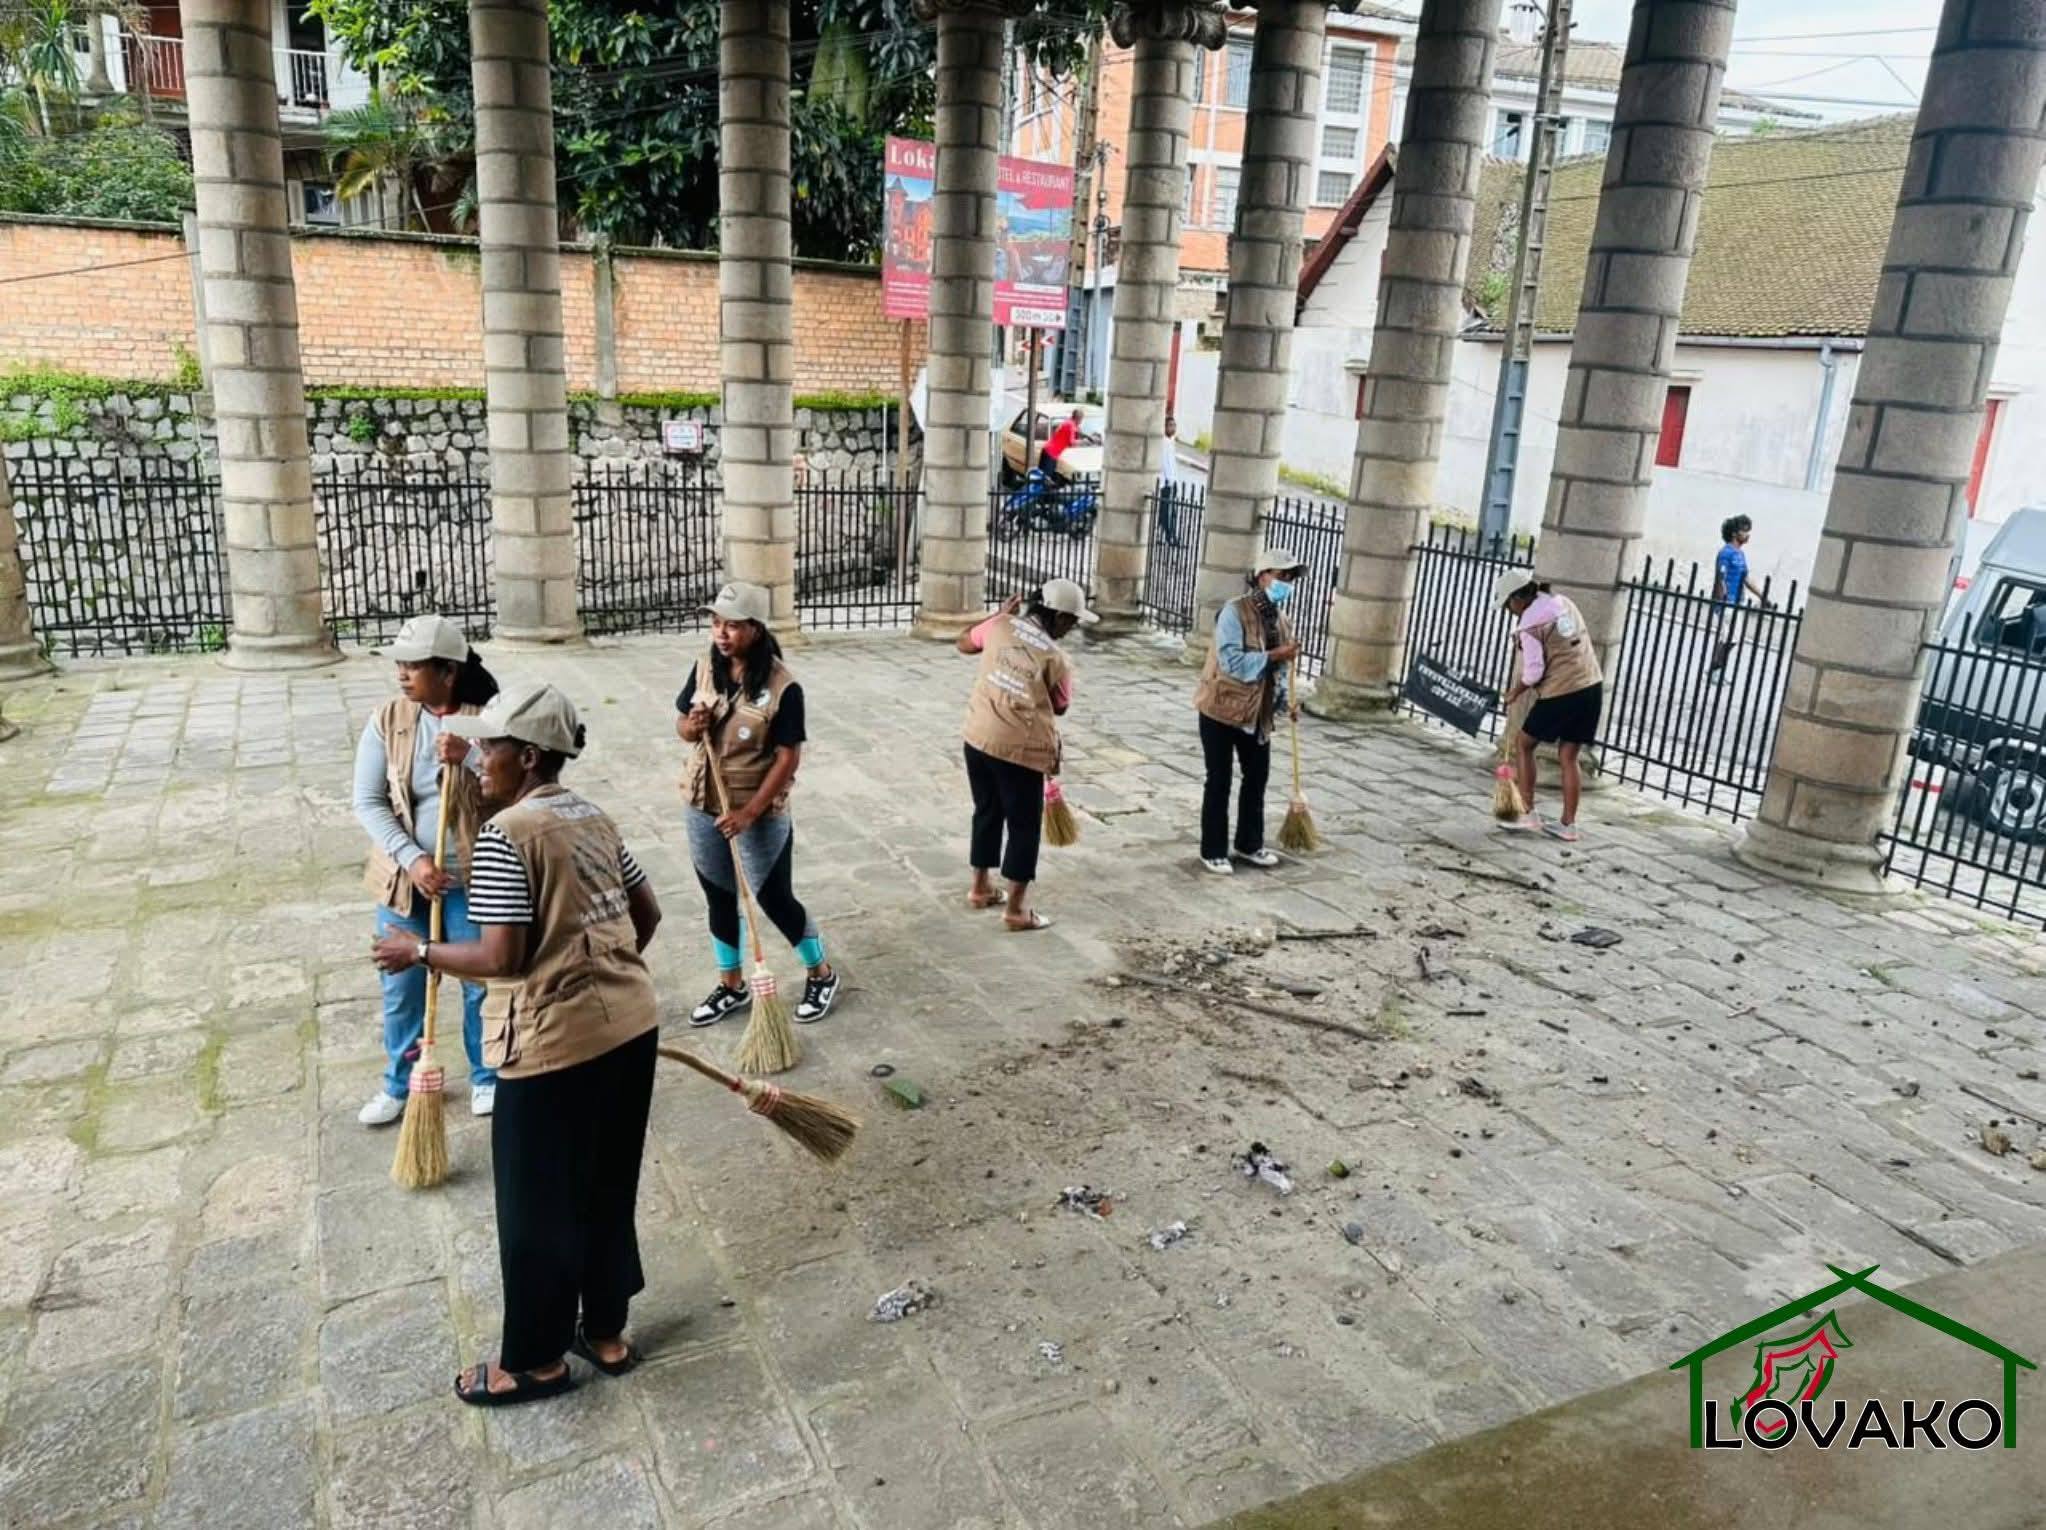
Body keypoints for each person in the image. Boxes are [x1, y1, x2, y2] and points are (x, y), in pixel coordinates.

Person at [373, 683, 663, 1408]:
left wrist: (420, 951)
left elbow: (500, 957)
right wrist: (604, 970)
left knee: (536, 1203)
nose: (478, 763)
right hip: (631, 1029)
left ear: (527, 756)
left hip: (552, 1048)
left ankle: (534, 1360)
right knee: (606, 1185)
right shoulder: (593, 816)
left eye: (489, 749)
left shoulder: (510, 835)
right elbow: (645, 912)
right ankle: (605, 1332)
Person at [352, 614, 501, 1126]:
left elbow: (521, 793)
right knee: (401, 987)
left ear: (448, 672)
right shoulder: (389, 719)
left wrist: (474, 759)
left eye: (412, 665)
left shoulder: (490, 720)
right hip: (404, 883)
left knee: (479, 982)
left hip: (473, 878)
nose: (401, 674)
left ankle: (487, 1076)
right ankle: (401, 1082)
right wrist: (412, 858)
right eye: (399, 664)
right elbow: (368, 801)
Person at [674, 582, 839, 1027]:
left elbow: (788, 757)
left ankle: (821, 972)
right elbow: (682, 727)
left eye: (731, 624)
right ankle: (731, 985)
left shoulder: (784, 688)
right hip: (703, 801)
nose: (721, 633)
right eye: (715, 623)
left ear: (755, 628)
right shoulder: (704, 668)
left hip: (757, 811)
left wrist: (749, 813)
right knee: (718, 895)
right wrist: (693, 724)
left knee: (773, 898)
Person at [958, 577, 1099, 931]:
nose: (1072, 628)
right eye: (1071, 621)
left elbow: (964, 643)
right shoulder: (1056, 657)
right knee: (1023, 826)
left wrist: (998, 616)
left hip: (977, 736)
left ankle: (980, 888)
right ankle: (1017, 910)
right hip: (1018, 748)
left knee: (987, 811)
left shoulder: (1000, 624)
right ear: (1058, 617)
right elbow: (1062, 705)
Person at [1193, 547, 1304, 875]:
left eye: (1290, 577)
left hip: (1259, 713)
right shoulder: (1234, 612)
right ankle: (1213, 849)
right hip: (1221, 708)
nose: (1286, 582)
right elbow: (1232, 662)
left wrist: (1286, 702)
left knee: (1257, 778)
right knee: (1219, 780)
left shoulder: (1281, 619)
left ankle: (1249, 843)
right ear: (1262, 576)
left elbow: (1280, 672)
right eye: (1281, 576)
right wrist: (1274, 656)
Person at [1495, 568, 1604, 843]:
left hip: (1562, 691)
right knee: (1569, 756)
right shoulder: (1563, 602)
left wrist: (1514, 692)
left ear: (1518, 598)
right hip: (1591, 685)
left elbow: (1533, 673)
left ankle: (1527, 812)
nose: (1509, 610)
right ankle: (1568, 824)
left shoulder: (1529, 624)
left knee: (1524, 743)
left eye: (1508, 604)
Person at [1708, 515, 1770, 681]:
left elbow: (1746, 578)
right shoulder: (1725, 553)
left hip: (1738, 602)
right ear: (1735, 533)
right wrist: (1721, 601)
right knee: (1725, 637)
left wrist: (1761, 596)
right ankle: (1715, 671)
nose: (1748, 534)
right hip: (1727, 602)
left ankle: (1717, 668)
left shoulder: (1740, 555)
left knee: (1733, 638)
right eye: (1745, 531)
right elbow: (1720, 578)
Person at [1156, 416, 1184, 549]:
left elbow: (1172, 463)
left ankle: (1161, 535)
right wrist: (1170, 480)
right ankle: (1170, 536)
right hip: (1167, 483)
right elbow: (1165, 463)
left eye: (1174, 425)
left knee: (1166, 511)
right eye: (1170, 425)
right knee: (1167, 512)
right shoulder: (1164, 442)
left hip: (1172, 481)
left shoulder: (1170, 442)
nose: (1173, 428)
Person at [1040, 406, 1085, 479]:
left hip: (1049, 451)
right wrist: (1083, 442)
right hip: (1051, 453)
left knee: (1043, 477)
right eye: (1081, 419)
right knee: (1045, 478)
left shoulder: (1069, 422)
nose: (1081, 422)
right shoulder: (1070, 425)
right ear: (1078, 419)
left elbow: (1076, 432)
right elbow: (1071, 443)